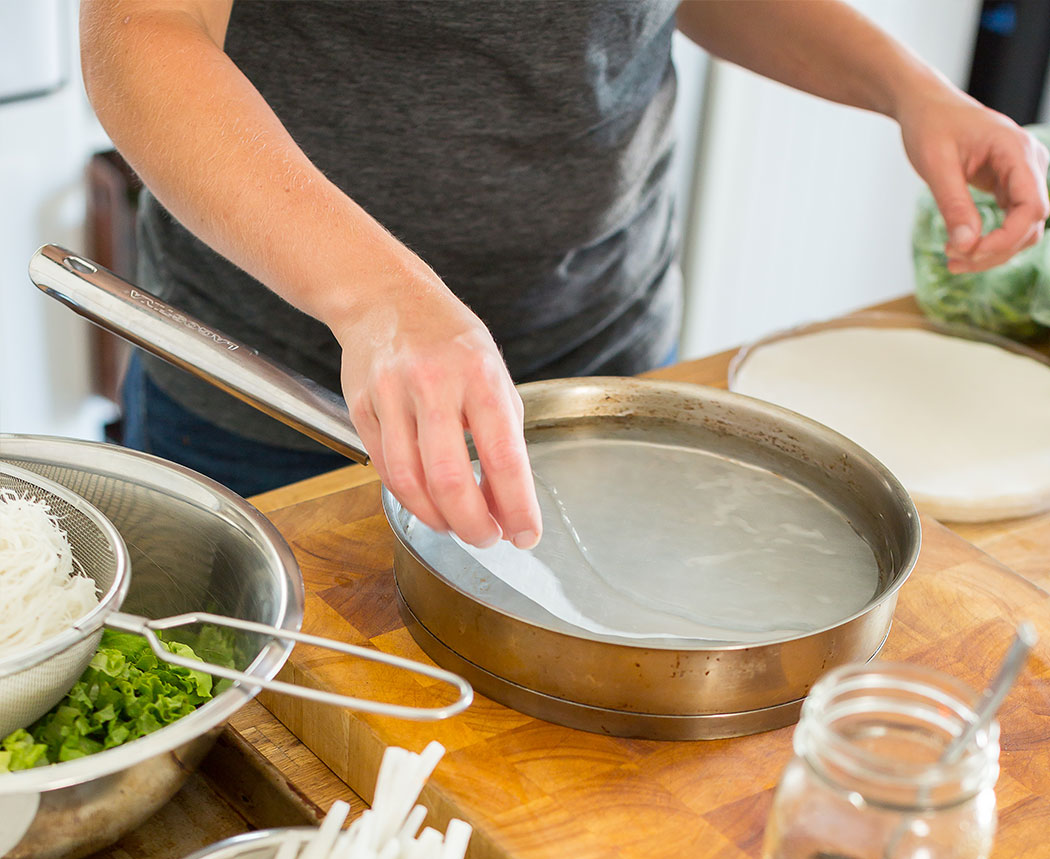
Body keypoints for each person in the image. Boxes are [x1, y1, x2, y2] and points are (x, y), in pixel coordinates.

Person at [81, 0, 1049, 543]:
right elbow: (142, 38)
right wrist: (375, 295)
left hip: (600, 365)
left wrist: (907, 87)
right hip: (274, 400)